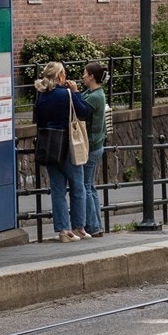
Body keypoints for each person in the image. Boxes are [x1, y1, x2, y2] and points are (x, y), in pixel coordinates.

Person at [32, 61, 90, 242]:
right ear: (60, 76)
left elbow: (38, 120)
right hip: (68, 144)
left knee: (57, 190)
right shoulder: (66, 94)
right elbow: (84, 111)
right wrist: (76, 92)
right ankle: (79, 227)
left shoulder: (40, 96)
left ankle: (63, 231)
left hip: (49, 146)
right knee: (78, 187)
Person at [78, 61, 113, 238]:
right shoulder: (93, 92)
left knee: (86, 186)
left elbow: (81, 110)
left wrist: (74, 93)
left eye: (84, 73)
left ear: (91, 76)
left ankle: (93, 225)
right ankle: (95, 224)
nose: (82, 76)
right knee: (90, 186)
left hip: (91, 146)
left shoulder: (96, 96)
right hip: (95, 145)